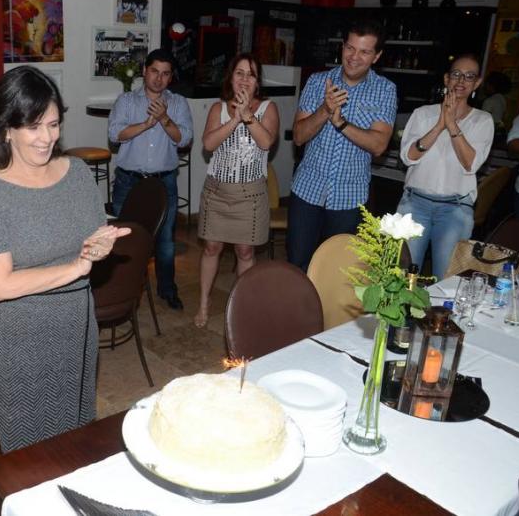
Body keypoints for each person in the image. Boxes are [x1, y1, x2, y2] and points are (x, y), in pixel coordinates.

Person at [0, 66, 130, 453]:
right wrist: (77, 267)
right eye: (34, 127)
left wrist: (100, 247)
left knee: (77, 446)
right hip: (17, 343)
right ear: (7, 129)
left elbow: (92, 238)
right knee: (29, 461)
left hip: (76, 329)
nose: (47, 138)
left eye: (54, 124)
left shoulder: (78, 173)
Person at [288, 20, 397, 271]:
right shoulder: (318, 81)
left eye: (364, 51)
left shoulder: (385, 90)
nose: (354, 57)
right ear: (342, 47)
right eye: (350, 48)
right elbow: (299, 136)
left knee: (336, 272)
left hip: (349, 198)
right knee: (297, 266)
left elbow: (379, 145)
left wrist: (341, 124)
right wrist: (325, 110)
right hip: (307, 190)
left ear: (376, 56)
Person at [195, 53, 280, 328]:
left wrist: (248, 116)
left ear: (257, 82)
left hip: (250, 196)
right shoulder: (218, 108)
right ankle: (204, 303)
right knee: (211, 247)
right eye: (239, 73)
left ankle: (242, 306)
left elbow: (266, 143)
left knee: (245, 252)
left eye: (250, 74)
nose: (244, 79)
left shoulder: (268, 108)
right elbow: (208, 144)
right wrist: (234, 119)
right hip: (216, 192)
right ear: (230, 78)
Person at [108, 48, 194, 310]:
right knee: (124, 239)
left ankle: (167, 289)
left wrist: (164, 118)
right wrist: (146, 124)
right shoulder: (126, 101)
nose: (159, 78)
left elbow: (185, 139)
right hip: (128, 181)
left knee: (165, 241)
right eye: (154, 71)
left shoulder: (178, 103)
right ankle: (122, 289)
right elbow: (114, 134)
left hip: (163, 182)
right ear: (144, 71)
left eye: (165, 74)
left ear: (171, 77)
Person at [397, 54, 494, 278]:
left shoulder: (482, 120)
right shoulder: (423, 114)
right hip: (414, 204)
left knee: (446, 280)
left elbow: (471, 164)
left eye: (469, 76)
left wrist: (451, 125)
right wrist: (439, 125)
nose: (461, 81)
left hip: (455, 209)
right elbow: (408, 157)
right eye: (456, 74)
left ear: (477, 83)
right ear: (446, 79)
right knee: (401, 277)